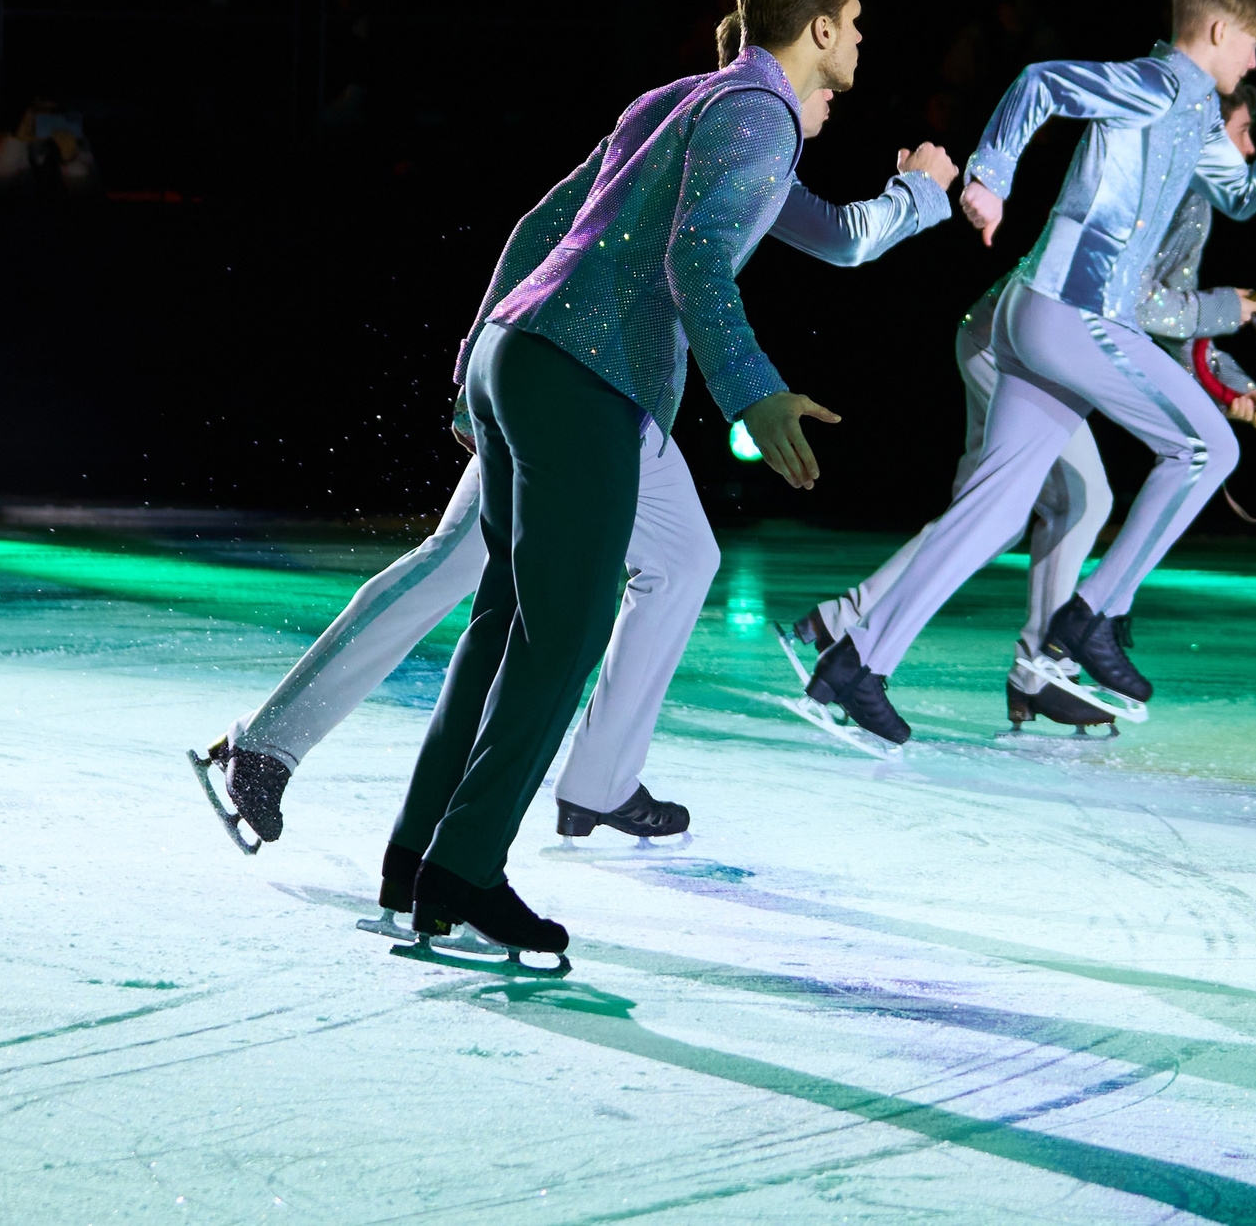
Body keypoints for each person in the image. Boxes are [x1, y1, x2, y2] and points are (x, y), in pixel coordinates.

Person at [193, 90, 957, 875]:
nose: (843, 79)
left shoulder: (713, 128)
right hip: (576, 381)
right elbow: (580, 232)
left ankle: (598, 780)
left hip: (601, 394)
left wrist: (914, 195)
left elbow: (829, 235)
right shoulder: (738, 122)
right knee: (460, 562)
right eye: (848, 34)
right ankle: (266, 749)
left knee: (683, 559)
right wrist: (921, 192)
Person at [383, 0, 895, 962]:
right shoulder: (757, 119)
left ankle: (417, 861)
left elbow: (545, 221)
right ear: (821, 27)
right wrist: (753, 393)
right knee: (561, 636)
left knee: (506, 624)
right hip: (584, 376)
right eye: (855, 26)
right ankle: (466, 867)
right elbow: (697, 257)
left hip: (519, 353)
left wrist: (475, 360)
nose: (860, 47)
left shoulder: (679, 102)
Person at [791, 0, 1256, 747]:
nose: (1255, 64)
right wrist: (990, 175)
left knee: (992, 513)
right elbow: (1039, 84)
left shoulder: (1195, 115)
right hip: (1072, 312)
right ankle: (1091, 617)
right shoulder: (1157, 84)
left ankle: (856, 663)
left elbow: (1239, 195)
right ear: (1219, 32)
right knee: (1206, 445)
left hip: (1041, 317)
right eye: (1252, 47)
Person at [782, 80, 1256, 735]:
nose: (1243, 152)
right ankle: (1037, 654)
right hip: (1016, 340)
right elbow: (1140, 306)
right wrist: (1219, 313)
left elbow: (1160, 333)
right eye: (1237, 135)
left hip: (1025, 337)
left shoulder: (1189, 204)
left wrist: (1227, 381)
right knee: (1059, 501)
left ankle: (864, 637)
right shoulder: (1168, 177)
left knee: (1003, 511)